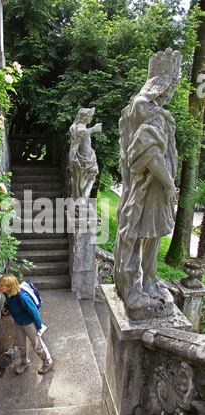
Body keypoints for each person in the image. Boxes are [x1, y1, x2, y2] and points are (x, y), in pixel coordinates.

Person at [114, 48, 182, 320]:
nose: (171, 91)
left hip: (153, 186)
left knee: (151, 237)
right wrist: (168, 184)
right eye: (170, 85)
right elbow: (151, 154)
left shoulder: (150, 112)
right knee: (142, 234)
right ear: (161, 86)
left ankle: (149, 281)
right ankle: (136, 286)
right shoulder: (146, 113)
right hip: (151, 188)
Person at [0, 274, 54, 375]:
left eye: (2, 285)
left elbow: (34, 312)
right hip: (18, 322)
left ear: (9, 287)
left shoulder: (22, 297)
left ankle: (48, 362)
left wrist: (38, 326)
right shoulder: (7, 294)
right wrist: (6, 308)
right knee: (21, 344)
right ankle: (24, 362)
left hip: (29, 323)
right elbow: (10, 302)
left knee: (37, 345)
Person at [69, 107, 102, 205]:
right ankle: (82, 199)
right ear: (84, 117)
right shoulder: (80, 126)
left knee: (88, 179)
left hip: (88, 158)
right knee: (83, 181)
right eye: (90, 117)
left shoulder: (79, 125)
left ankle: (83, 199)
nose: (91, 119)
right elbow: (81, 133)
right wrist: (94, 129)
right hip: (84, 160)